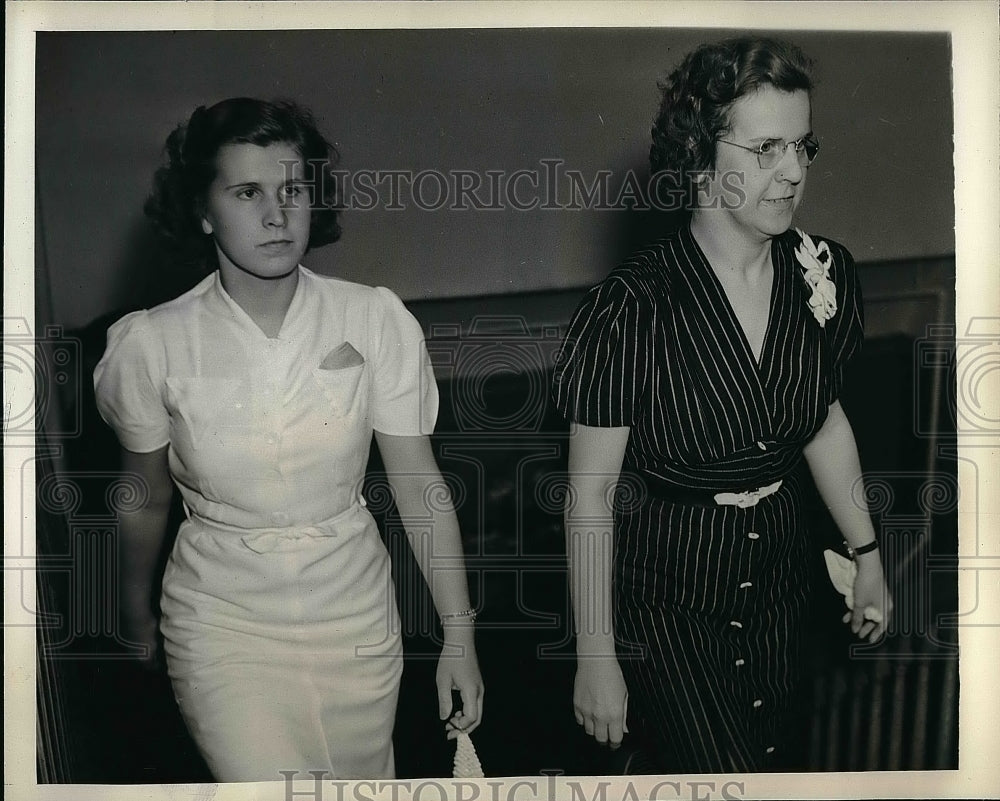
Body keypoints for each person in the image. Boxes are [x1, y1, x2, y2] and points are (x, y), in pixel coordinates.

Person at [94, 98, 483, 782]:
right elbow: (144, 497)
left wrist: (459, 632)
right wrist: (133, 613)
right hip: (224, 627)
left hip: (357, 619)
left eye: (292, 190)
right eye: (247, 192)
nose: (277, 214)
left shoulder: (373, 317)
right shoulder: (151, 342)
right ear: (204, 209)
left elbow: (419, 487)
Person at [551, 38, 892, 773]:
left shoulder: (824, 273)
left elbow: (823, 421)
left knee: (776, 763)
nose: (795, 171)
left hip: (782, 590)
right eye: (766, 147)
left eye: (803, 145)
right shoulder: (631, 307)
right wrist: (597, 655)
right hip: (665, 605)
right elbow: (590, 493)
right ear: (700, 151)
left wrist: (868, 555)